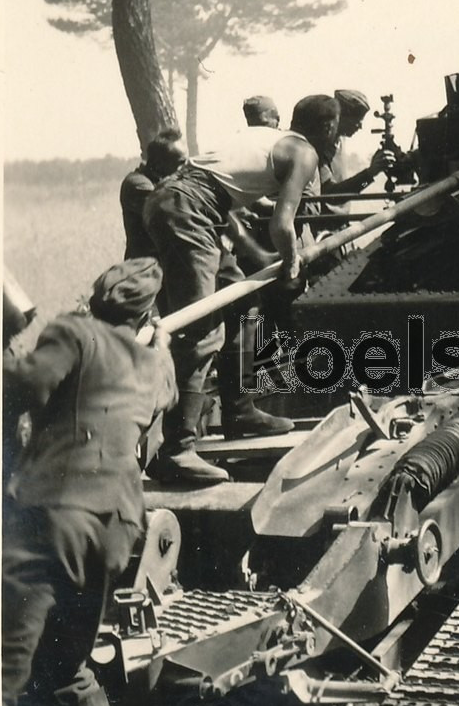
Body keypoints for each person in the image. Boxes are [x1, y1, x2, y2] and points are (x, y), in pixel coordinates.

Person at [2, 258, 176, 706]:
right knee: (66, 667)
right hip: (114, 529)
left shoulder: (75, 332)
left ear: (93, 301)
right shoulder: (153, 364)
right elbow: (163, 399)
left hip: (55, 513)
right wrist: (159, 342)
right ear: (145, 315)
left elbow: (29, 385)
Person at [143, 95, 334, 484]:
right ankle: (177, 449)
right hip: (189, 209)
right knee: (202, 328)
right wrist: (291, 261)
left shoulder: (265, 138)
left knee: (244, 302)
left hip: (179, 201)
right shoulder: (305, 153)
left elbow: (220, 193)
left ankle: (239, 410)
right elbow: (282, 225)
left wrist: (256, 254)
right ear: (329, 128)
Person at [119, 129, 188, 260]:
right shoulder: (137, 184)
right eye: (181, 163)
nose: (186, 169)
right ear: (159, 164)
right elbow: (173, 214)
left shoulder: (166, 181)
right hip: (145, 267)